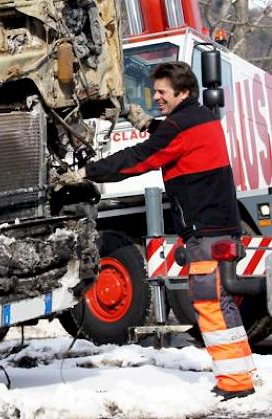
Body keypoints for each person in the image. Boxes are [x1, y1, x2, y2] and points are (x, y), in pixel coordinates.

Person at [60, 61, 256, 400]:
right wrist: (151, 124)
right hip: (219, 224)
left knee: (209, 301)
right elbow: (173, 141)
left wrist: (89, 172)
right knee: (219, 301)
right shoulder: (201, 117)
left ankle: (236, 382)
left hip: (205, 229)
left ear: (183, 92)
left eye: (163, 92)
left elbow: (140, 159)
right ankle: (239, 371)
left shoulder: (180, 126)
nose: (157, 97)